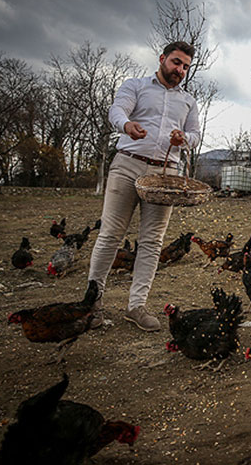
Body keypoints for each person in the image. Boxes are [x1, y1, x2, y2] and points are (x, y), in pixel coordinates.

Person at [87, 41, 200, 332]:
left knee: (152, 241)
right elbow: (117, 111)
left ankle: (136, 306)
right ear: (162, 59)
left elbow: (195, 134)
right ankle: (92, 303)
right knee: (111, 233)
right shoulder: (135, 85)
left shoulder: (188, 101)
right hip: (128, 164)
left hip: (165, 174)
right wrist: (126, 125)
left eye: (185, 66)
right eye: (176, 62)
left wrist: (183, 139)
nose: (180, 70)